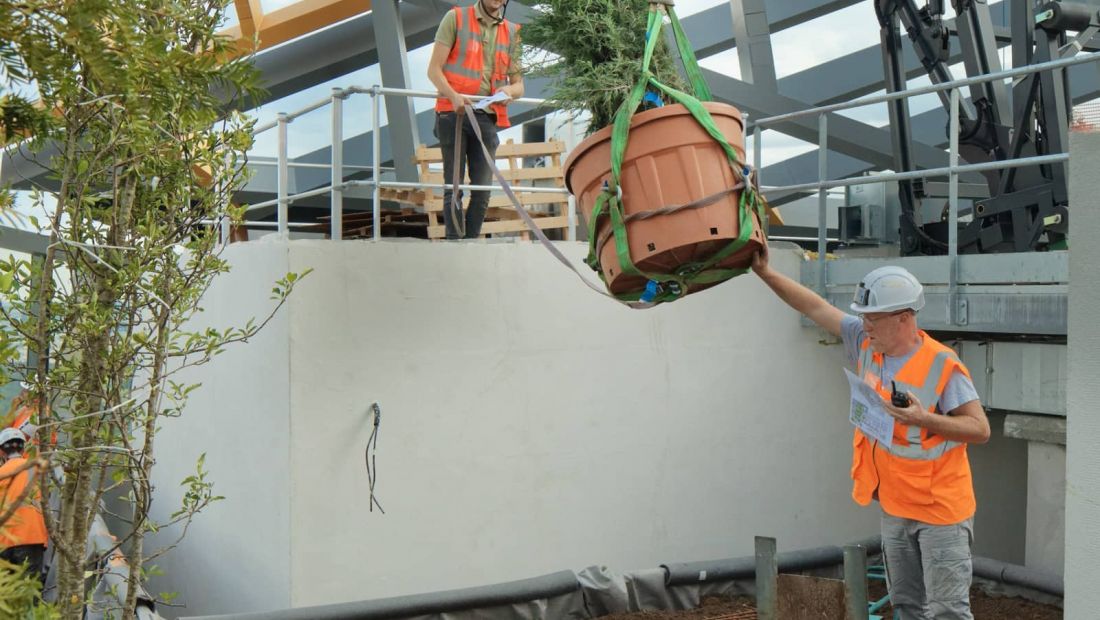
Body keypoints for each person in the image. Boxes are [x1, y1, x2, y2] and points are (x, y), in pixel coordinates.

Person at [751, 247, 990, 620]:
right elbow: (813, 307)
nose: (865, 326)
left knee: (948, 611)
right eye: (863, 317)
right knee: (907, 606)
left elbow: (980, 429)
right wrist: (766, 273)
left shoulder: (943, 365)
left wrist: (923, 419)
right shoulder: (866, 345)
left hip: (941, 513)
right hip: (895, 507)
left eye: (873, 319)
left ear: (904, 319)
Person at [427, 0, 524, 240]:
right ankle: (454, 242)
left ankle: (470, 243)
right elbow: (433, 70)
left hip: (486, 115)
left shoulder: (512, 32)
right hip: (452, 113)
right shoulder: (456, 18)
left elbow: (519, 85)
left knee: (482, 189)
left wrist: (508, 93)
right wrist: (453, 96)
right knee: (454, 187)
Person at [0, 427, 47, 584]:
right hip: (31, 536)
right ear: (23, 447)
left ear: (1, 451)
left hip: (5, 540)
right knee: (30, 590)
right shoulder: (36, 468)